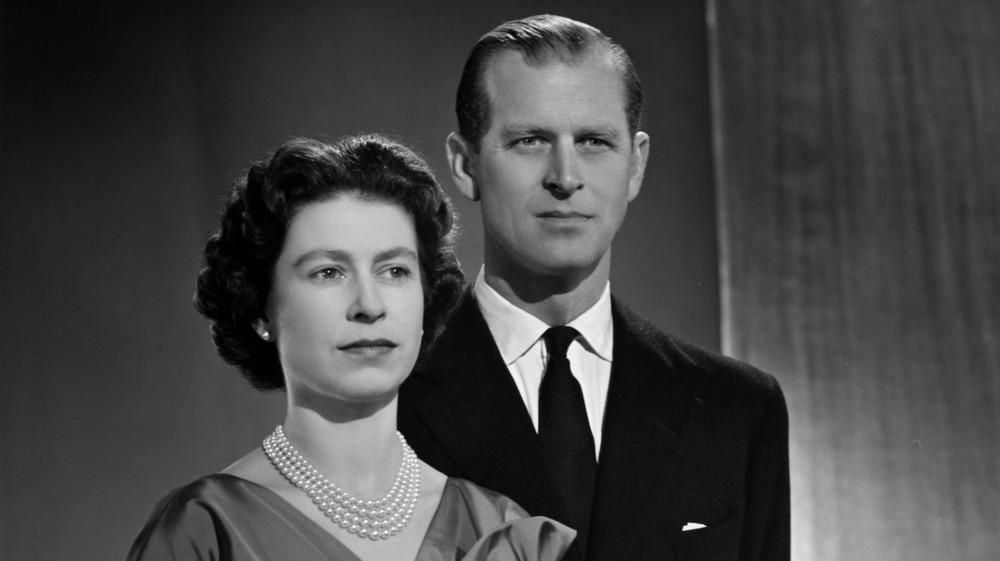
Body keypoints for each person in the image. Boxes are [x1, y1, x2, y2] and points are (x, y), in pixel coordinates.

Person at [398, 15, 790, 561]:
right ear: (466, 166)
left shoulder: (739, 409)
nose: (565, 175)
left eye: (595, 141)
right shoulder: (385, 398)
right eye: (531, 140)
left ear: (636, 164)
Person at [128, 135, 575, 561]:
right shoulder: (207, 531)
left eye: (395, 271)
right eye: (328, 272)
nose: (369, 305)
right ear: (260, 311)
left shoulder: (498, 532)